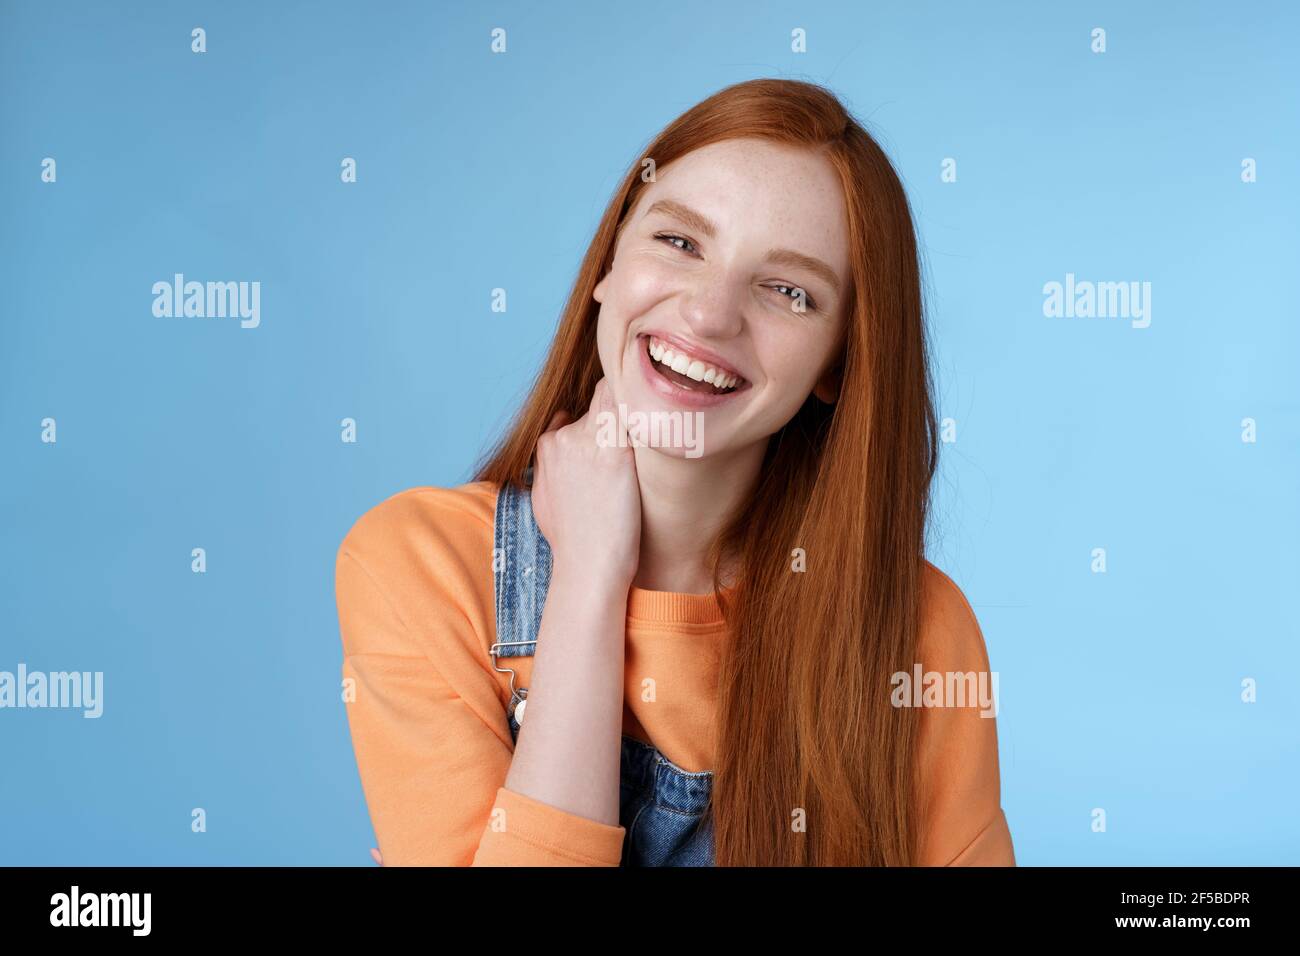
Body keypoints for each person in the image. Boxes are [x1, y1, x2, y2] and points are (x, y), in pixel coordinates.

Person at [335, 77, 1015, 867]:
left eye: (789, 292)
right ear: (609, 267)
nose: (710, 313)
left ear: (839, 363)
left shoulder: (919, 630)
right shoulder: (418, 566)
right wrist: (589, 578)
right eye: (681, 243)